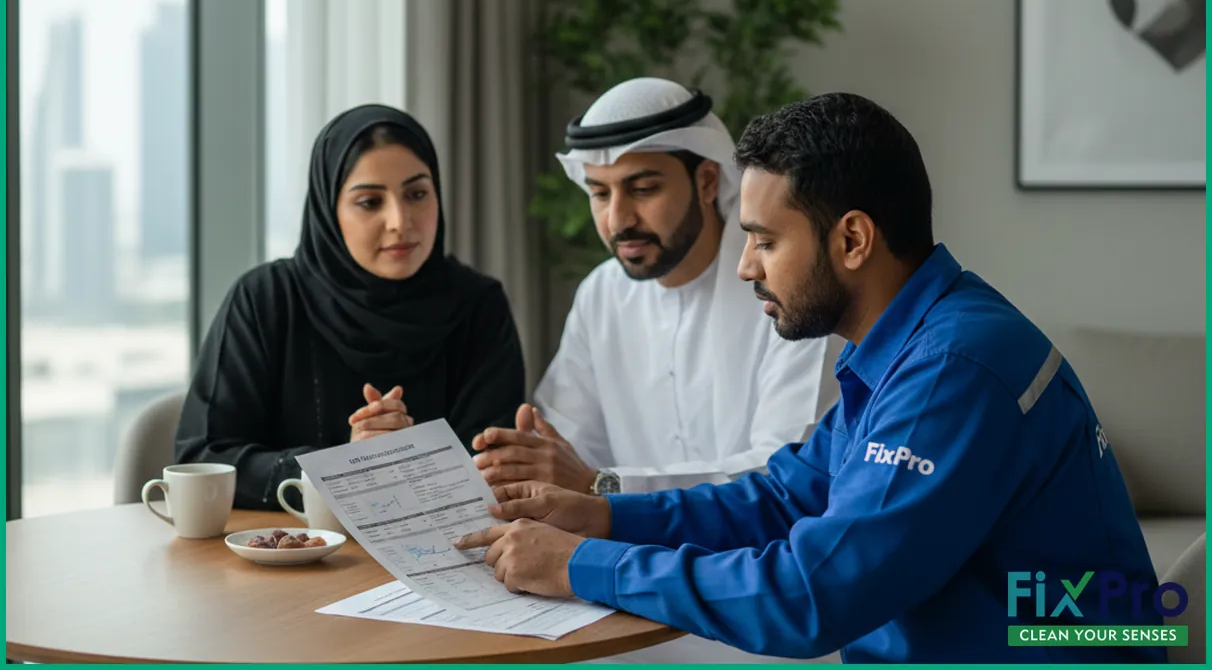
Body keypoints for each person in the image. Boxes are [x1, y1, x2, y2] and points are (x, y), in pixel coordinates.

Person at [453, 93, 1165, 663]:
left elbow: (812, 595)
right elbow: (788, 495)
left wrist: (584, 563)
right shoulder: (907, 341)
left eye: (764, 240)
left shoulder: (953, 369)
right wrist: (607, 516)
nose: (745, 265)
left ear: (852, 239)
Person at [471, 77, 834, 500]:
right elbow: (565, 448)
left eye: (643, 189)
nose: (618, 219)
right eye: (600, 193)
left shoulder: (786, 287)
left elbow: (785, 475)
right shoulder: (601, 294)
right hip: (621, 550)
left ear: (707, 182)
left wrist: (602, 485)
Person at [175, 104, 526, 510]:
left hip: (442, 559)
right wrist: (340, 468)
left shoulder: (478, 307)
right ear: (329, 210)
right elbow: (200, 459)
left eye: (416, 194)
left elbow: (496, 466)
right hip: (289, 562)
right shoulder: (266, 301)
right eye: (369, 202)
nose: (400, 220)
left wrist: (398, 462)